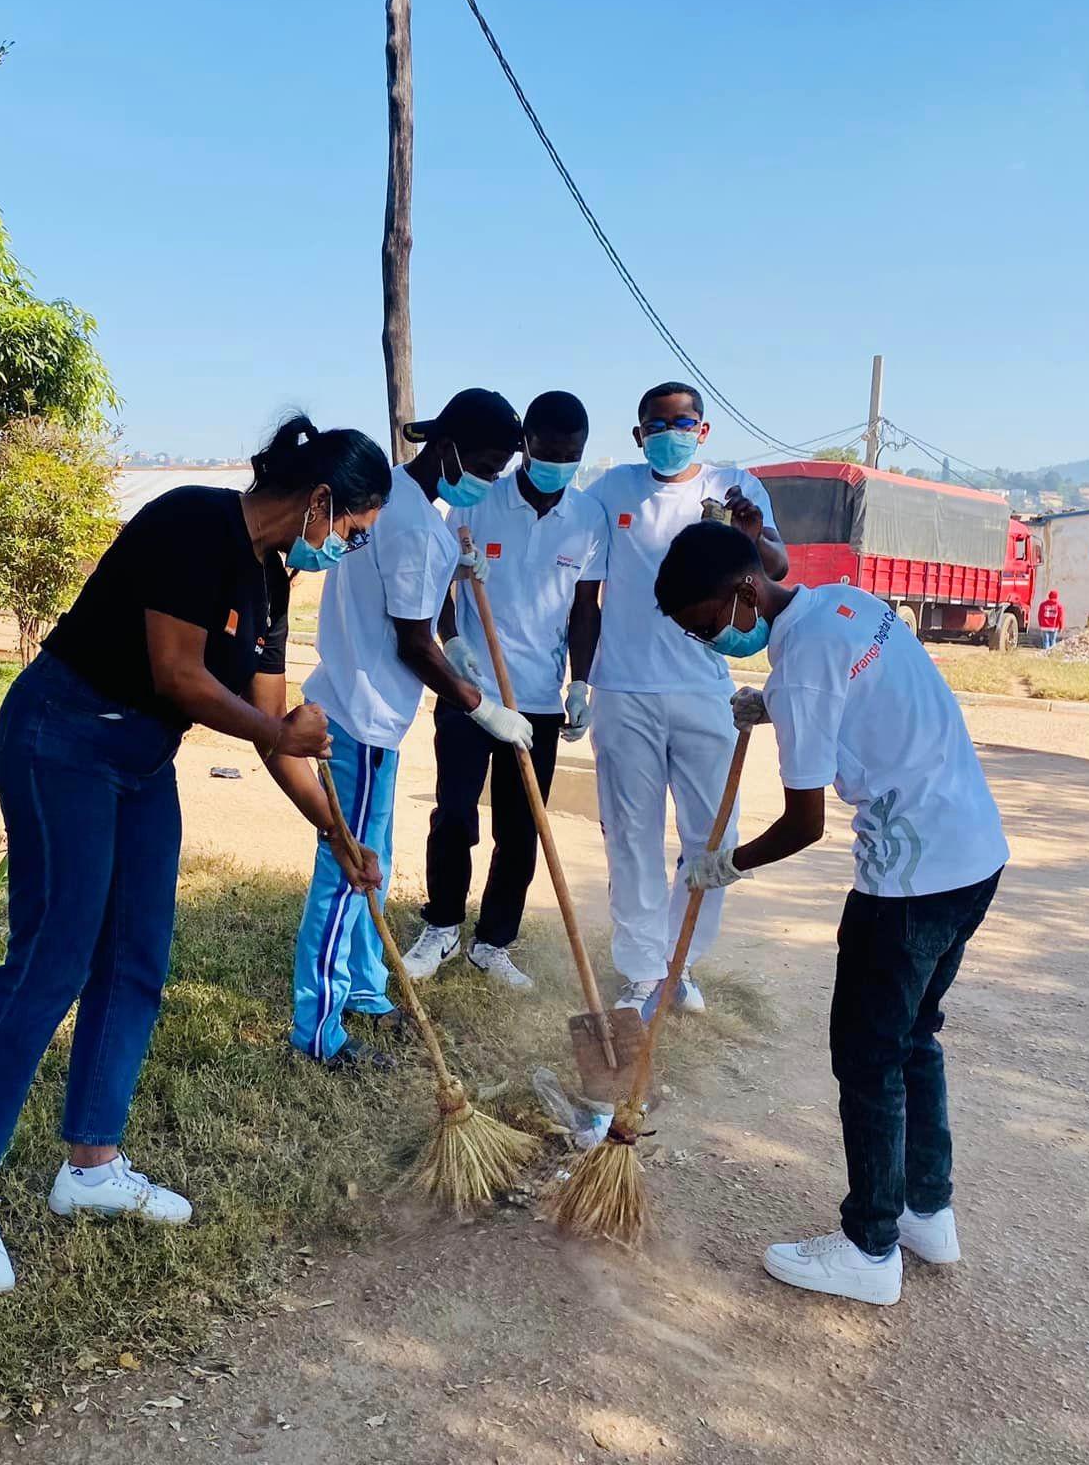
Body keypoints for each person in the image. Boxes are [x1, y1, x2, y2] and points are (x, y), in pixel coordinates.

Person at [0, 415, 391, 1294]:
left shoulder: (271, 582)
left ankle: (90, 1169)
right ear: (322, 501)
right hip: (62, 735)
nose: (347, 550)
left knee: (137, 959)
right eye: (354, 533)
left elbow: (277, 736)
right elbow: (180, 673)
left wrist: (339, 833)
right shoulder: (188, 522)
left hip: (140, 758)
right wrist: (277, 726)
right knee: (52, 958)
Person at [656, 521, 1008, 1306]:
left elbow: (805, 822)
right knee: (917, 1040)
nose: (712, 640)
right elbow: (849, 692)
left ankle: (869, 1248)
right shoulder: (842, 604)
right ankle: (927, 1211)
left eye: (708, 623)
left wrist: (726, 864)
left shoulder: (805, 660)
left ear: (744, 592)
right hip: (973, 854)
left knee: (868, 1056)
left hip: (910, 885)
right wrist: (775, 703)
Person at [290, 388, 527, 1068]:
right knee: (349, 875)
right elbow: (414, 644)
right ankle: (318, 1031)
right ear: (446, 447)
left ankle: (365, 991)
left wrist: (455, 570)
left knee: (376, 864)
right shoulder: (419, 526)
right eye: (484, 462)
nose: (489, 478)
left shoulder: (391, 493)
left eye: (499, 466)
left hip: (362, 707)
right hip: (362, 714)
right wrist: (482, 706)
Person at [582, 381, 787, 1020]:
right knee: (631, 836)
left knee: (713, 835)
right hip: (623, 691)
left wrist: (754, 536)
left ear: (703, 428)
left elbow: (775, 569)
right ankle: (643, 973)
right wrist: (581, 679)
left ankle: (682, 963)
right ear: (639, 434)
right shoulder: (611, 490)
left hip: (704, 689)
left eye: (684, 421)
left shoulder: (736, 486)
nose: (671, 433)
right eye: (657, 424)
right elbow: (583, 584)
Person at [403, 391, 603, 990]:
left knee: (522, 828)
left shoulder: (588, 519)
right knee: (455, 814)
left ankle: (493, 943)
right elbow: (439, 579)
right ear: (527, 446)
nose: (557, 465)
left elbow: (586, 610)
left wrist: (581, 682)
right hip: (469, 692)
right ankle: (441, 927)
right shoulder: (478, 496)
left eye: (571, 456)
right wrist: (452, 640)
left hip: (537, 702)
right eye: (547, 452)